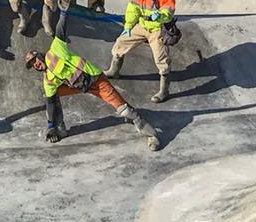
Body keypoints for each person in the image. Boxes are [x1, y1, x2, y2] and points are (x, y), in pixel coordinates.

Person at [24, 9, 160, 151]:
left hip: (96, 81)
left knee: (125, 111)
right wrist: (50, 126)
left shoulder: (55, 51)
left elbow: (60, 31)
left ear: (39, 56)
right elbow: (50, 103)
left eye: (35, 61)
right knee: (51, 95)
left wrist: (63, 13)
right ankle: (60, 128)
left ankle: (152, 135)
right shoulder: (48, 80)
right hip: (78, 86)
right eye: (33, 65)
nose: (36, 65)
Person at [105, 0, 176, 103]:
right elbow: (133, 7)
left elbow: (169, 10)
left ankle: (164, 91)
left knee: (161, 58)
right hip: (142, 25)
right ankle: (114, 71)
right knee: (120, 43)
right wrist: (129, 26)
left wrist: (160, 15)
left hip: (157, 28)